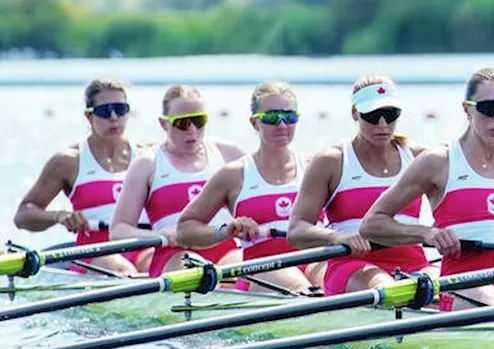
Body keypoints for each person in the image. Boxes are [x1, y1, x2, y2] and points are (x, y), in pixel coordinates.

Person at [361, 68, 494, 308]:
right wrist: (427, 233)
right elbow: (372, 224)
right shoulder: (439, 162)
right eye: (488, 108)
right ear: (467, 109)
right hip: (463, 284)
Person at [288, 75, 431, 294]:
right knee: (391, 291)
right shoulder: (332, 161)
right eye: (373, 116)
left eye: (390, 115)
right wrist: (337, 237)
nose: (383, 124)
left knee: (449, 290)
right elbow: (297, 231)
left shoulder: (419, 158)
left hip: (414, 264)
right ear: (355, 114)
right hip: (351, 265)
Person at [176, 81, 322, 293]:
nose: (282, 125)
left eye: (289, 117)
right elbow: (185, 229)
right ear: (255, 123)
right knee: (303, 289)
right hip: (262, 269)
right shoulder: (234, 174)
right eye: (272, 117)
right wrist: (226, 231)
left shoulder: (314, 167)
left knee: (339, 282)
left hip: (315, 261)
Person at [14, 78, 152, 275]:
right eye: (105, 111)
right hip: (94, 250)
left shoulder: (148, 156)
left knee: (164, 264)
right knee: (122, 270)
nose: (114, 117)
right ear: (89, 117)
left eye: (120, 109)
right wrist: (59, 216)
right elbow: (23, 215)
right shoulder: (69, 161)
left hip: (143, 245)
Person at [111, 85, 245, 277]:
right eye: (182, 123)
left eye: (199, 121)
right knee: (198, 273)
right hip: (175, 254)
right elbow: (118, 230)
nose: (192, 130)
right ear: (163, 124)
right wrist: (159, 236)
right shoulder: (147, 164)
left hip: (227, 250)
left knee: (245, 269)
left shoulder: (229, 154)